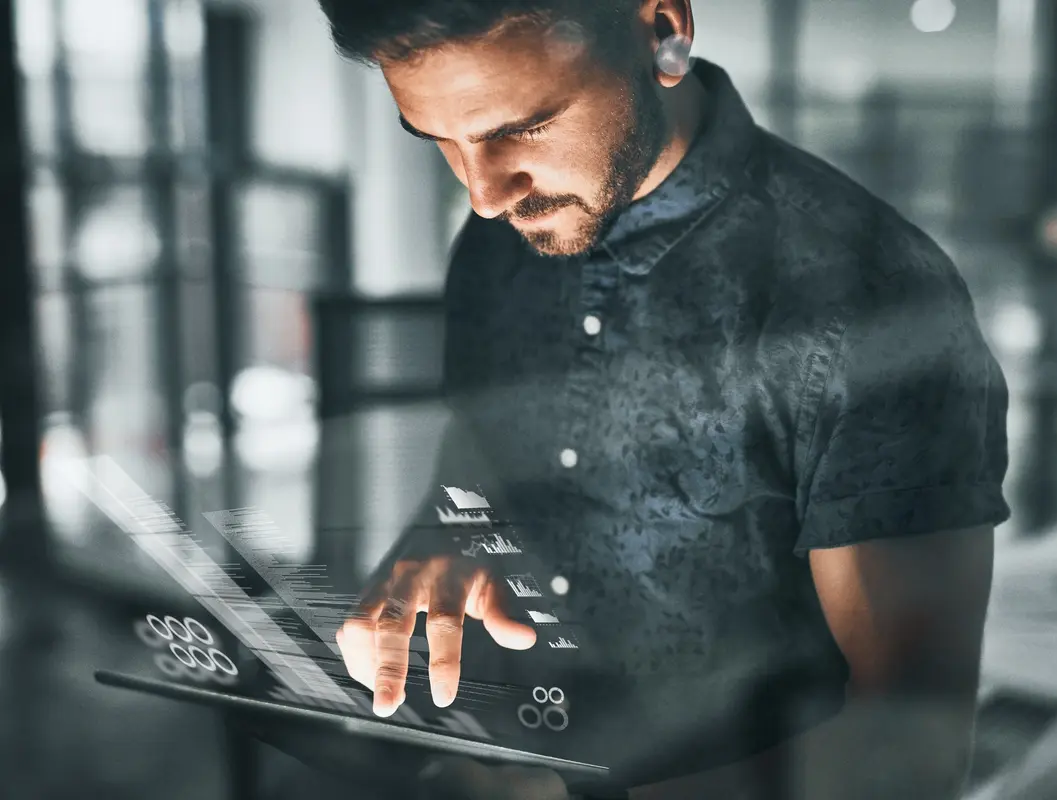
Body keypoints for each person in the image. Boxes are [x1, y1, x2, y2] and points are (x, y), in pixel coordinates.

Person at [317, 1, 1010, 797]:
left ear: (663, 31)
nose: (482, 193)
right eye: (441, 140)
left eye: (525, 127)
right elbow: (475, 481)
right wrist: (448, 539)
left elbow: (907, 755)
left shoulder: (870, 298)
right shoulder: (496, 241)